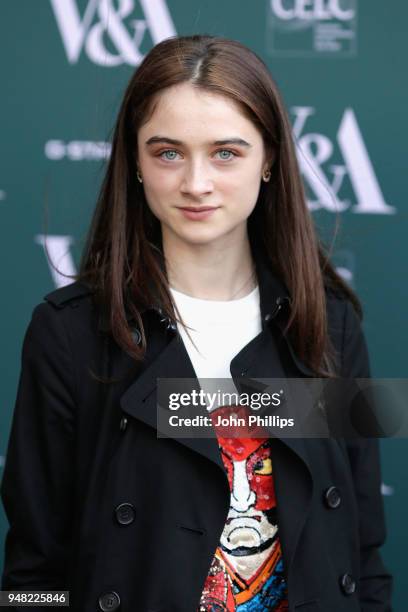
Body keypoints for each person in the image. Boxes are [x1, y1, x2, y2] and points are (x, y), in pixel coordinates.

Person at [1, 34, 392, 611]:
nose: (196, 183)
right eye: (168, 153)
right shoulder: (68, 336)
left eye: (226, 152)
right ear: (135, 162)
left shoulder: (331, 327)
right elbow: (34, 575)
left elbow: (363, 557)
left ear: (270, 160)